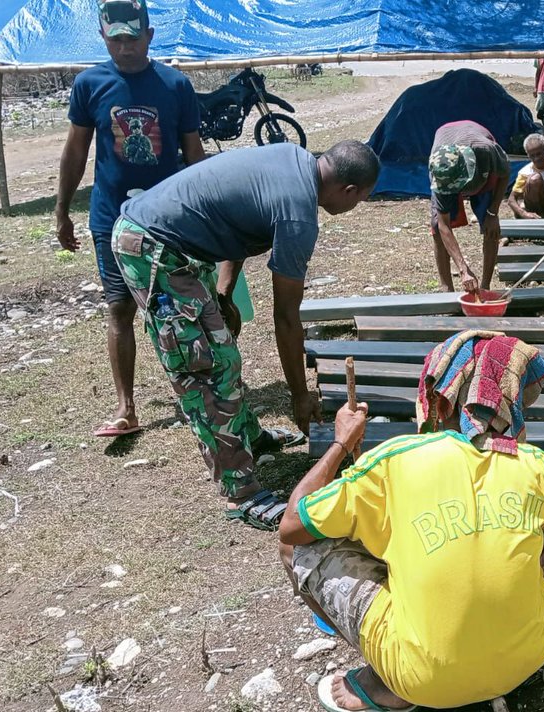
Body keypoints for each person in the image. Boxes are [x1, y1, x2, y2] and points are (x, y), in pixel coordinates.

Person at [278, 331, 544, 711]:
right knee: (530, 535)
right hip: (528, 660)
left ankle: (391, 678)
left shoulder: (394, 461)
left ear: (439, 398)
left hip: (425, 680)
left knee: (299, 547)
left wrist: (341, 442)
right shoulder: (536, 465)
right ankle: (480, 662)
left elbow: (291, 527)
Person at [110, 140, 380, 524]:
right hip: (154, 246)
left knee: (223, 350)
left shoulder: (293, 161)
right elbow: (286, 316)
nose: (356, 206)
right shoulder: (298, 214)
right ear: (348, 190)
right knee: (203, 366)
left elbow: (234, 217)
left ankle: (246, 437)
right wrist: (300, 397)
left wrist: (224, 290)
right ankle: (241, 492)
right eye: (361, 199)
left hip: (180, 243)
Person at [55, 0, 204, 439]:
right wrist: (62, 208)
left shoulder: (176, 85)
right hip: (111, 219)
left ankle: (198, 391)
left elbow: (194, 154)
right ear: (104, 38)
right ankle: (126, 408)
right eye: (116, 39)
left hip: (169, 218)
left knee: (181, 306)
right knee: (119, 308)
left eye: (132, 39)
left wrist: (212, 213)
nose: (125, 49)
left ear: (150, 36)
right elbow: (76, 150)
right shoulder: (89, 84)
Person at [427, 121, 511, 293]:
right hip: (445, 137)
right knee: (436, 227)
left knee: (491, 228)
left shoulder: (486, 151)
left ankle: (486, 287)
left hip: (482, 174)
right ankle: (446, 290)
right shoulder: (439, 171)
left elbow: (505, 172)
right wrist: (463, 269)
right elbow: (444, 226)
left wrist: (492, 212)